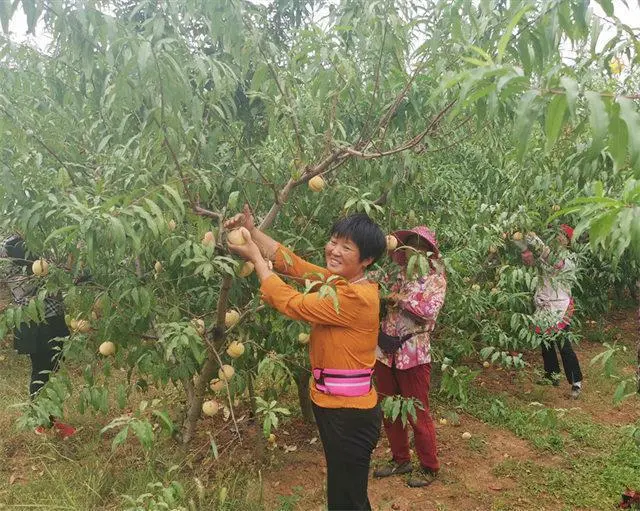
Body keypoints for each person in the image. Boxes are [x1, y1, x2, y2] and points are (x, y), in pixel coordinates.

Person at [225, 204, 386, 511]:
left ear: (366, 259)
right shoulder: (343, 282)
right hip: (333, 405)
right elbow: (295, 265)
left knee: (347, 498)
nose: (334, 250)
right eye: (333, 241)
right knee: (344, 492)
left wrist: (257, 259)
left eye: (346, 247)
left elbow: (293, 302)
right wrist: (253, 229)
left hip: (349, 415)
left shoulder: (355, 297)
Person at [372, 226, 446, 488]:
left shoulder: (435, 280)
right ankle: (400, 458)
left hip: (413, 353)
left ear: (427, 252)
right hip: (384, 352)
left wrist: (399, 300)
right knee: (389, 408)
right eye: (410, 244)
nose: (413, 249)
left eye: (419, 245)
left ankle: (429, 465)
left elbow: (428, 311)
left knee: (417, 411)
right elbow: (373, 289)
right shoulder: (395, 274)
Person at [0, 234, 76, 437]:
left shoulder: (45, 238)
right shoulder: (10, 247)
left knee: (54, 366)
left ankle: (49, 417)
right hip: (33, 319)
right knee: (42, 369)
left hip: (53, 316)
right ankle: (43, 422)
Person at [520, 224, 583, 399]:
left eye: (562, 236)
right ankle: (552, 375)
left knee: (563, 345)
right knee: (545, 343)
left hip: (560, 305)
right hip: (545, 304)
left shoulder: (569, 258)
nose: (558, 238)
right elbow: (532, 262)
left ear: (568, 241)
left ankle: (576, 381)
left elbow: (555, 263)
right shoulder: (545, 255)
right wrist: (522, 245)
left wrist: (537, 243)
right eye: (556, 235)